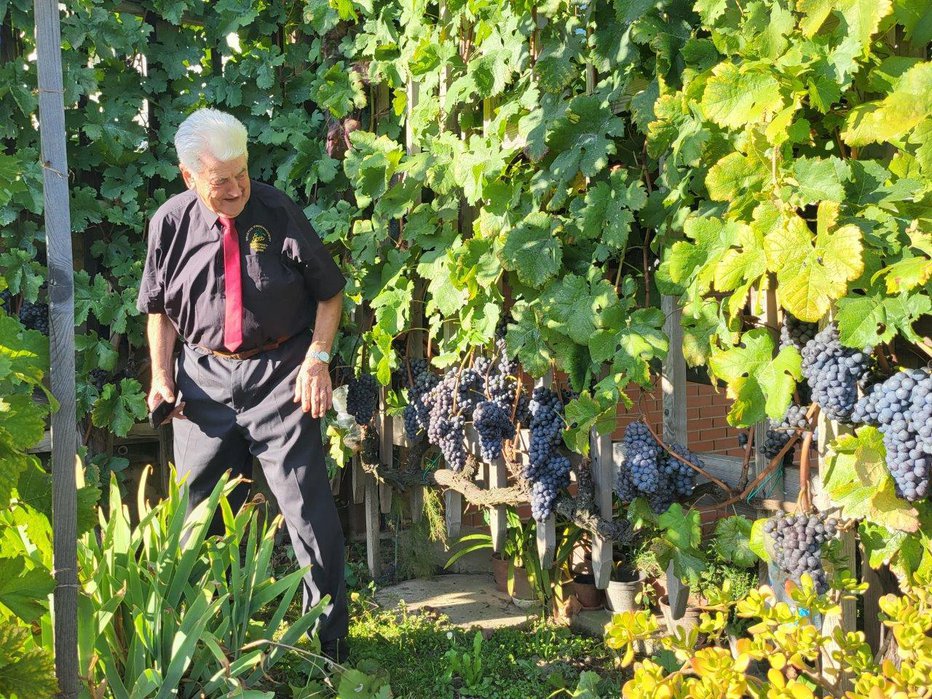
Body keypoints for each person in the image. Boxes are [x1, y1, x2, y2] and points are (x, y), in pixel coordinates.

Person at [136, 108, 349, 661]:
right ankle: (195, 643)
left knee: (307, 511)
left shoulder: (277, 212)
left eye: (242, 174)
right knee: (193, 516)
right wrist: (161, 377)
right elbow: (157, 309)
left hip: (281, 375)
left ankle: (326, 649)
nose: (236, 189)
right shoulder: (168, 223)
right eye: (220, 181)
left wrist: (317, 360)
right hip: (201, 382)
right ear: (189, 177)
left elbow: (330, 292)